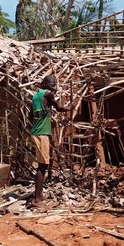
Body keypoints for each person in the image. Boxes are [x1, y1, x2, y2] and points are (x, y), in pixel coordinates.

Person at [29, 75, 74, 209]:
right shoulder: (48, 94)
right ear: (46, 84)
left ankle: (39, 195)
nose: (54, 86)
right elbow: (59, 108)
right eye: (52, 84)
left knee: (43, 165)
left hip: (37, 131)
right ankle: (37, 199)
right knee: (42, 166)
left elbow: (30, 115)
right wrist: (70, 107)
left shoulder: (36, 96)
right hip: (41, 133)